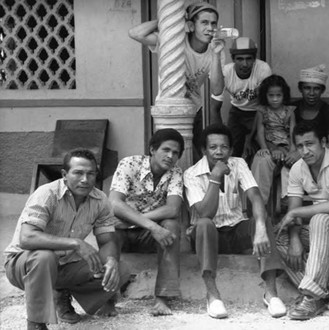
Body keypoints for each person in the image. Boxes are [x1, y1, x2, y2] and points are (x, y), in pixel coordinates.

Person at [4, 149, 130, 330]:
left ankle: (60, 293)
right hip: (23, 264)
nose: (85, 179)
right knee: (44, 257)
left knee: (121, 268)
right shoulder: (47, 193)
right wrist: (76, 243)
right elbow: (27, 238)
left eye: (91, 173)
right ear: (65, 174)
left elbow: (107, 241)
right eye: (78, 173)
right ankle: (36, 323)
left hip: (64, 266)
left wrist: (111, 261)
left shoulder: (100, 200)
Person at [183, 123, 287, 319]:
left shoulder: (238, 163)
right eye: (213, 147)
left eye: (224, 147)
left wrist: (261, 227)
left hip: (236, 230)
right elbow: (205, 212)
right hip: (208, 236)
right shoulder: (191, 174)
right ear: (203, 150)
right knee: (204, 223)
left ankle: (271, 294)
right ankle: (212, 295)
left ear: (231, 149)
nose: (219, 152)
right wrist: (215, 178)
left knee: (262, 217)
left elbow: (255, 196)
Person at [276, 121, 329, 320]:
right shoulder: (297, 169)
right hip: (316, 230)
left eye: (310, 144)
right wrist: (294, 238)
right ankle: (322, 292)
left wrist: (294, 214)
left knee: (320, 219)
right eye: (300, 146)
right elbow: (294, 209)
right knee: (276, 236)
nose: (305, 151)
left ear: (322, 142)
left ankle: (311, 297)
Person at [128, 2, 225, 159]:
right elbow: (135, 33)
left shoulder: (216, 50)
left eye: (213, 23)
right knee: (167, 157)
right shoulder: (173, 41)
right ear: (191, 26)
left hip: (194, 110)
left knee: (195, 159)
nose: (210, 28)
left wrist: (216, 55)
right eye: (204, 22)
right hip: (169, 110)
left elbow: (217, 90)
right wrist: (171, 20)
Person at [108, 129, 184, 316]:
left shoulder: (175, 172)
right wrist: (151, 225)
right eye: (166, 150)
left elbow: (172, 209)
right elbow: (115, 203)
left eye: (175, 153)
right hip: (122, 230)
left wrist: (137, 222)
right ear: (152, 149)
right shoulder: (129, 164)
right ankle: (108, 300)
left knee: (172, 226)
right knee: (109, 229)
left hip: (140, 231)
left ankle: (162, 299)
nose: (170, 156)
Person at [210, 37, 272, 157]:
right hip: (237, 112)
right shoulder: (226, 72)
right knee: (232, 148)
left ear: (254, 59)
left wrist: (249, 138)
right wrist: (217, 135)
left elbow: (264, 104)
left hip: (258, 111)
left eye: (249, 59)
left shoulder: (263, 69)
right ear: (233, 59)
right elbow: (215, 106)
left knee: (260, 149)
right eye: (240, 59)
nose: (244, 64)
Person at [282, 64, 329, 169]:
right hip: (290, 157)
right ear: (300, 89)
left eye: (316, 89)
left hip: (321, 161)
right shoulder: (291, 110)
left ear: (322, 90)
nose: (311, 93)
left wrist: (302, 153)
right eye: (307, 88)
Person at [251, 74, 296, 205]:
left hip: (287, 145)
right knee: (261, 161)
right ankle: (259, 205)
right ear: (265, 96)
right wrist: (265, 149)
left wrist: (292, 150)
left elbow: (293, 131)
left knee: (291, 166)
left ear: (284, 95)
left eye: (278, 95)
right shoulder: (262, 111)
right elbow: (260, 132)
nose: (275, 99)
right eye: (271, 96)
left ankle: (288, 202)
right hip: (269, 144)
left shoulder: (290, 111)